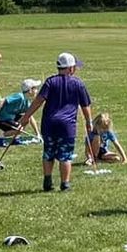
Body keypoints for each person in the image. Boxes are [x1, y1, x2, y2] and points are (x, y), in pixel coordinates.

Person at [20, 53, 94, 193]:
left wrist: (26, 116)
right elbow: (85, 105)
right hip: (67, 126)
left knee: (48, 153)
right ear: (71, 68)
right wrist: (89, 122)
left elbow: (38, 101)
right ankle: (64, 184)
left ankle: (47, 181)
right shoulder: (78, 83)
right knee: (65, 155)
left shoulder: (50, 82)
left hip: (49, 124)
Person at [0, 78, 40, 143]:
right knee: (19, 129)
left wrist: (37, 134)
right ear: (29, 90)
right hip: (0, 119)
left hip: (10, 118)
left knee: (26, 118)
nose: (37, 90)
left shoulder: (27, 102)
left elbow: (30, 116)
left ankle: (16, 138)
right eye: (35, 88)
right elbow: (2, 101)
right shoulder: (19, 96)